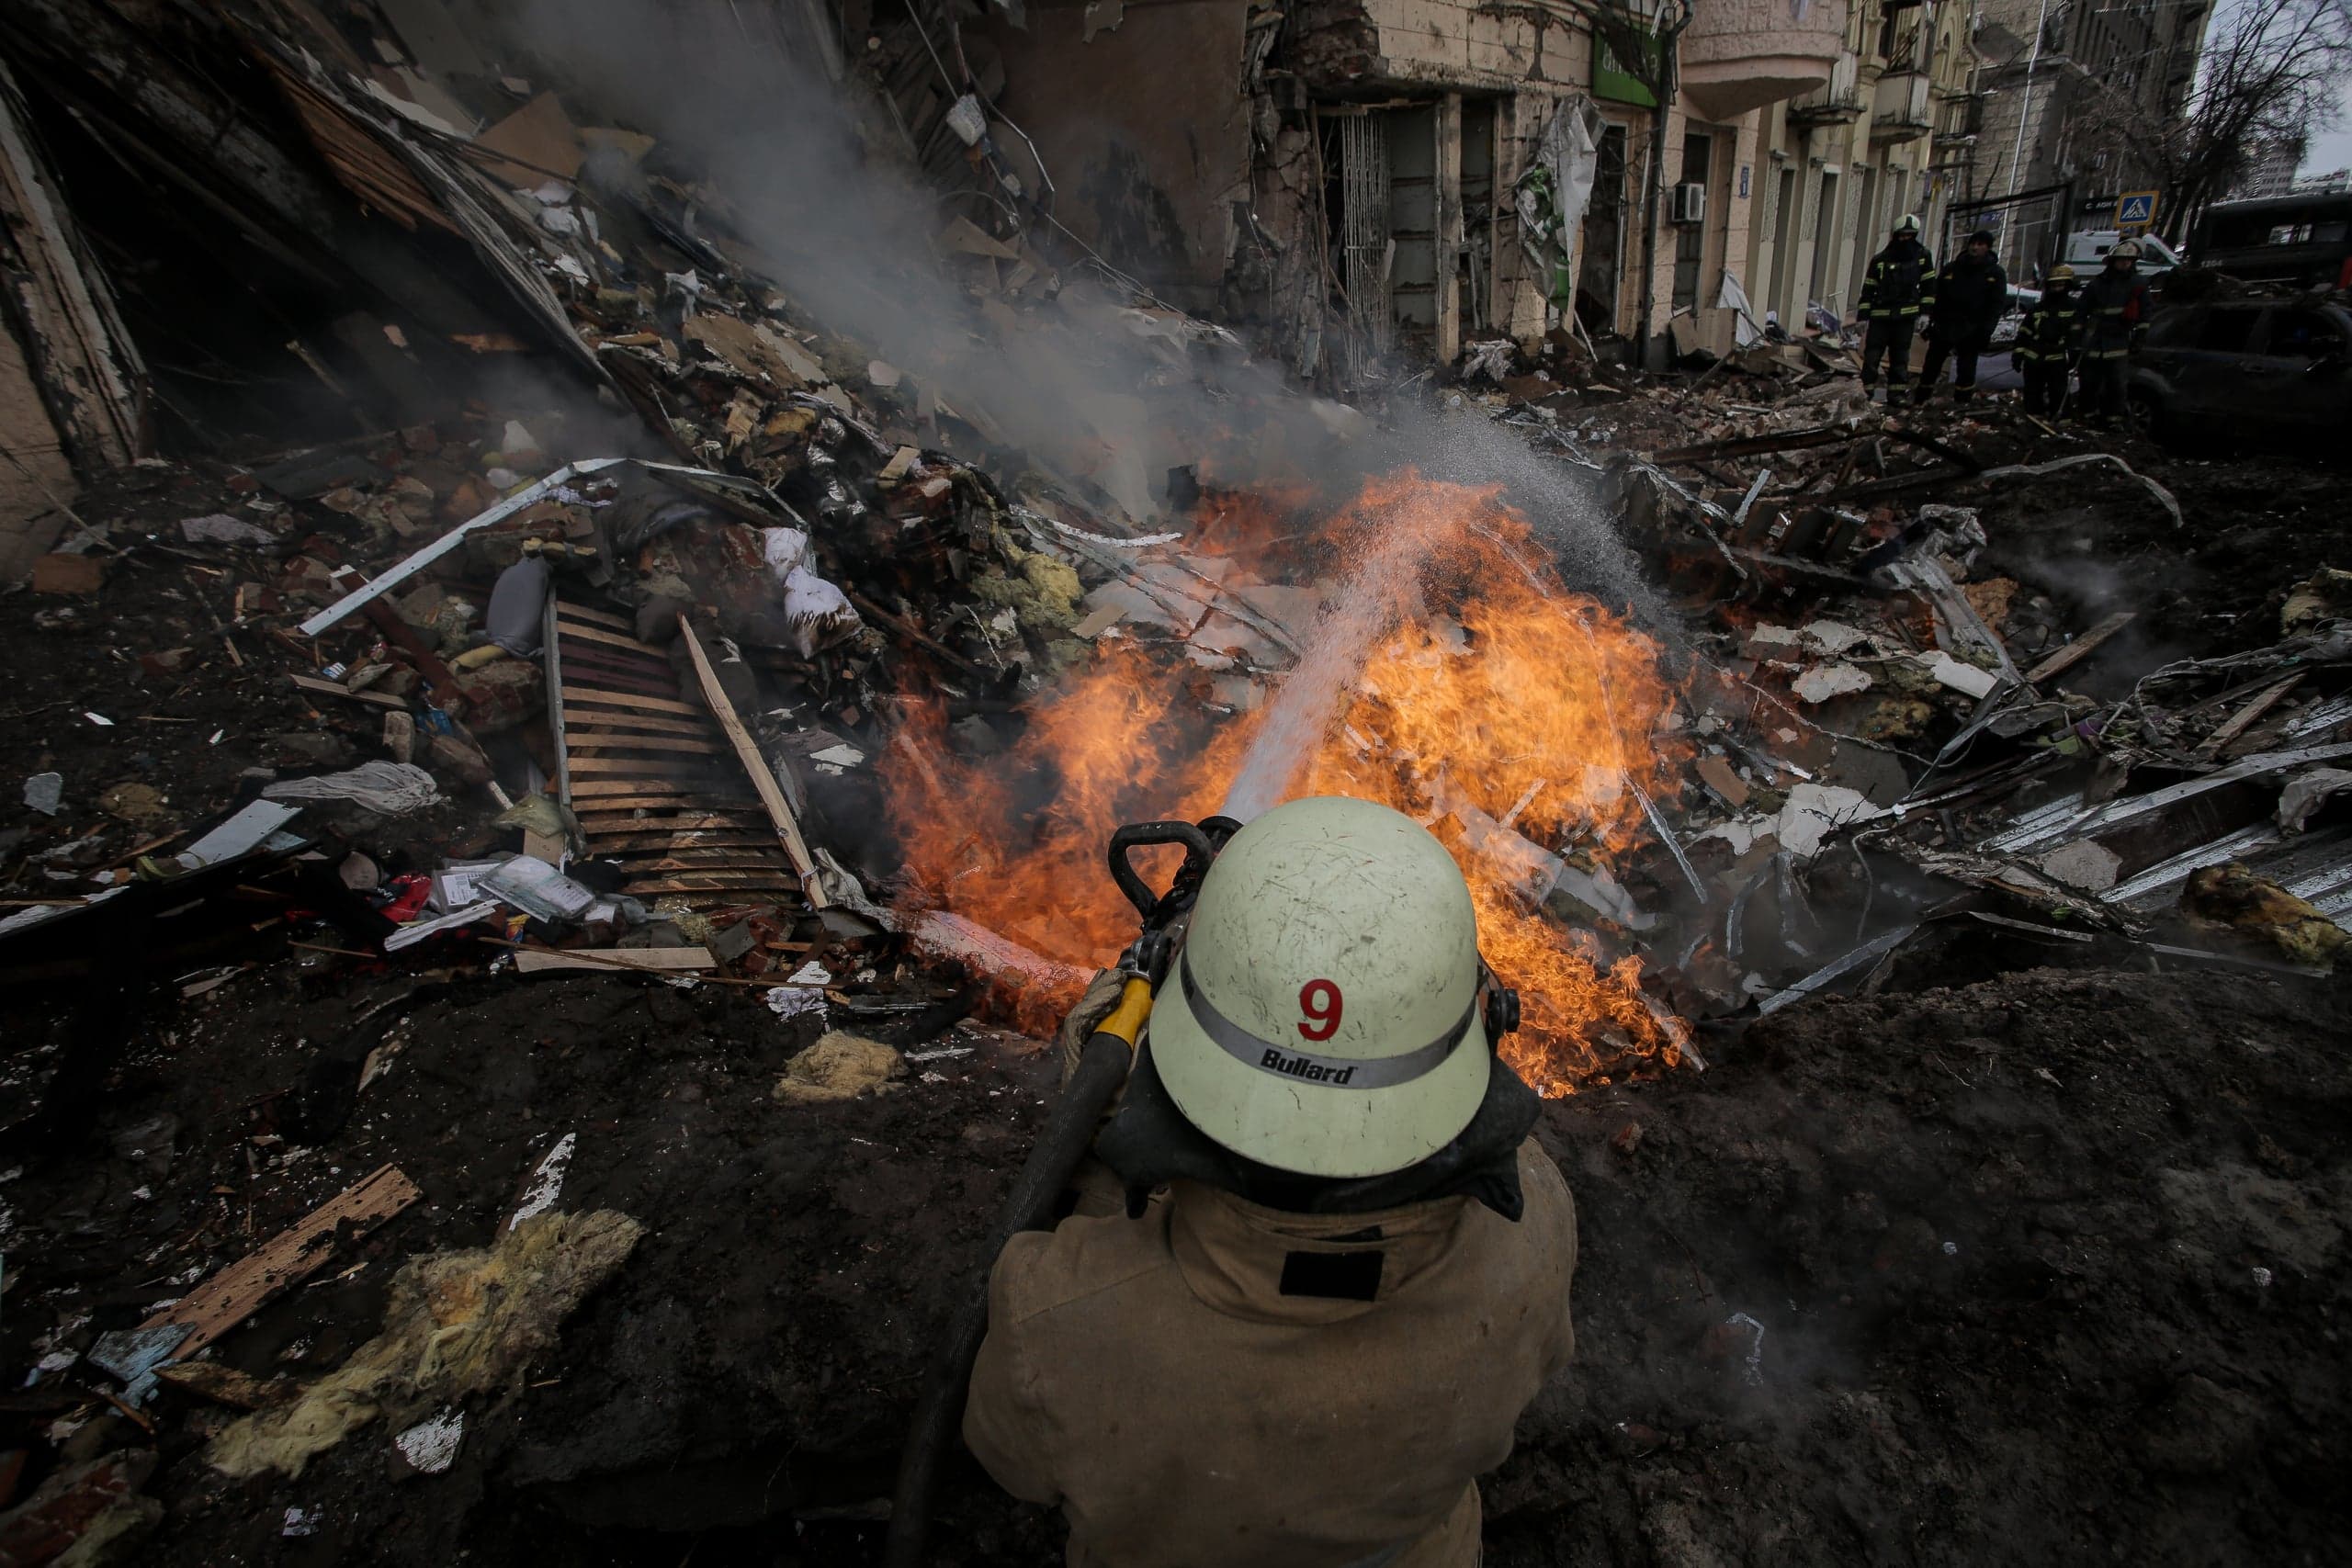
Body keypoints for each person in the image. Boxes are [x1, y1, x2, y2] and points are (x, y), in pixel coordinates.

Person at [964, 795, 1577, 1568]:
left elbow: (1006, 1459)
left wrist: (1099, 1114)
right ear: (1483, 1021)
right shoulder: (1536, 1233)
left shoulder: (1051, 1318)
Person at [1917, 229, 2009, 404]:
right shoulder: (1952, 269)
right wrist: (1929, 320)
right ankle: (1920, 400)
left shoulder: (1994, 274)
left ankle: (1961, 403)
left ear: (1987, 248)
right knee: (1931, 365)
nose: (1975, 248)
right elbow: (1938, 296)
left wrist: (1985, 331)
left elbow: (1995, 306)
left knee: (1966, 369)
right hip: (1945, 325)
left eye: (1980, 244)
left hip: (1971, 328)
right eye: (1973, 243)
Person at [1856, 214, 1937, 401]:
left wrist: (1925, 314)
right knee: (1872, 356)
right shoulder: (1880, 260)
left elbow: (1928, 288)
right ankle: (1865, 393)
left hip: (1905, 317)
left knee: (1900, 358)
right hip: (1880, 316)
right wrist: (1863, 316)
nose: (1905, 240)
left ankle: (1896, 394)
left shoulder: (1923, 257)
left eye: (1909, 236)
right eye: (1902, 235)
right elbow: (1868, 289)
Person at [2075, 239, 2152, 425]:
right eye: (2121, 259)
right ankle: (2087, 415)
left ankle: (2113, 419)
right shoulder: (2097, 284)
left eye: (2129, 260)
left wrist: (2139, 339)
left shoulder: (2138, 284)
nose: (2125, 263)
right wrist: (2076, 339)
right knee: (2089, 381)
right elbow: (2081, 311)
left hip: (2119, 340)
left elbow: (2145, 315)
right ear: (2112, 261)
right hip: (2095, 338)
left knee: (2116, 384)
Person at [2013, 264, 2083, 417]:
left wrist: (2074, 353)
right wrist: (2018, 354)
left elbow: (2076, 335)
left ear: (2068, 285)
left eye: (2061, 285)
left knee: (2058, 392)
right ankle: (2033, 419)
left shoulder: (2073, 308)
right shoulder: (2038, 308)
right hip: (2034, 357)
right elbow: (2024, 332)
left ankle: (2060, 423)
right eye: (2054, 285)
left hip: (2056, 358)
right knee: (2032, 392)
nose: (2057, 288)